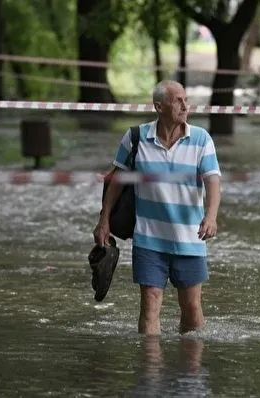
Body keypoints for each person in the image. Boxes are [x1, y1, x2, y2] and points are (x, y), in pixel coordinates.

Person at [92, 80, 221, 335]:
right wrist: (104, 220)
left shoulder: (201, 139)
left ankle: (190, 370)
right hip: (149, 240)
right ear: (159, 107)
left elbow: (213, 180)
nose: (186, 106)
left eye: (186, 99)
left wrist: (211, 216)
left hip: (189, 239)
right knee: (149, 305)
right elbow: (116, 181)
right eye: (178, 101)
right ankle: (151, 371)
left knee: (191, 308)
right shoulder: (135, 138)